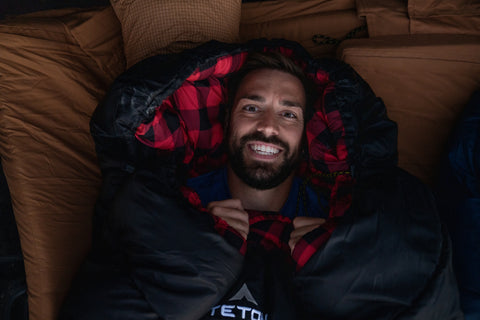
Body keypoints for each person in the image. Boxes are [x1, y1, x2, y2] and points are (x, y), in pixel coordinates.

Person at [59, 39, 464, 320]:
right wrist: (197, 254)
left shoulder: (345, 219)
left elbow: (412, 265)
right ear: (227, 121)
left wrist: (341, 260)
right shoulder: (173, 200)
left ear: (306, 139)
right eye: (252, 107)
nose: (268, 127)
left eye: (289, 113)